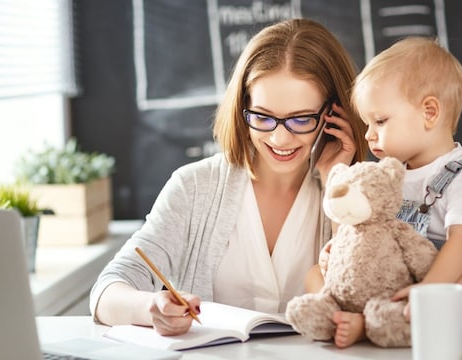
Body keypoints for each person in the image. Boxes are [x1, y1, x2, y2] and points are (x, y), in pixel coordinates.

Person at [89, 18, 369, 336]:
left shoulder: (360, 193)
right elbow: (106, 293)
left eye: (301, 119)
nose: (280, 139)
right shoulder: (194, 187)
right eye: (263, 117)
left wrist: (338, 180)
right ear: (242, 108)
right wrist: (151, 307)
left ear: (333, 115)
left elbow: (361, 303)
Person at [307, 36, 462, 348]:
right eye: (366, 123)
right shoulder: (389, 175)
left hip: (444, 281)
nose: (368, 134)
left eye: (380, 121)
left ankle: (368, 325)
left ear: (429, 112)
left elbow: (461, 242)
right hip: (390, 277)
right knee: (313, 273)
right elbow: (359, 225)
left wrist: (428, 290)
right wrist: (340, 253)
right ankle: (342, 313)